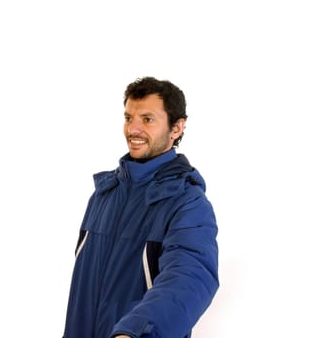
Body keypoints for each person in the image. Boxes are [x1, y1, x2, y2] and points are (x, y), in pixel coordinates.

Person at [63, 76, 219, 338]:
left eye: (147, 119)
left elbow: (190, 277)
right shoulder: (104, 195)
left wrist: (133, 332)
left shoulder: (188, 203)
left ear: (176, 128)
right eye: (128, 118)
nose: (133, 129)